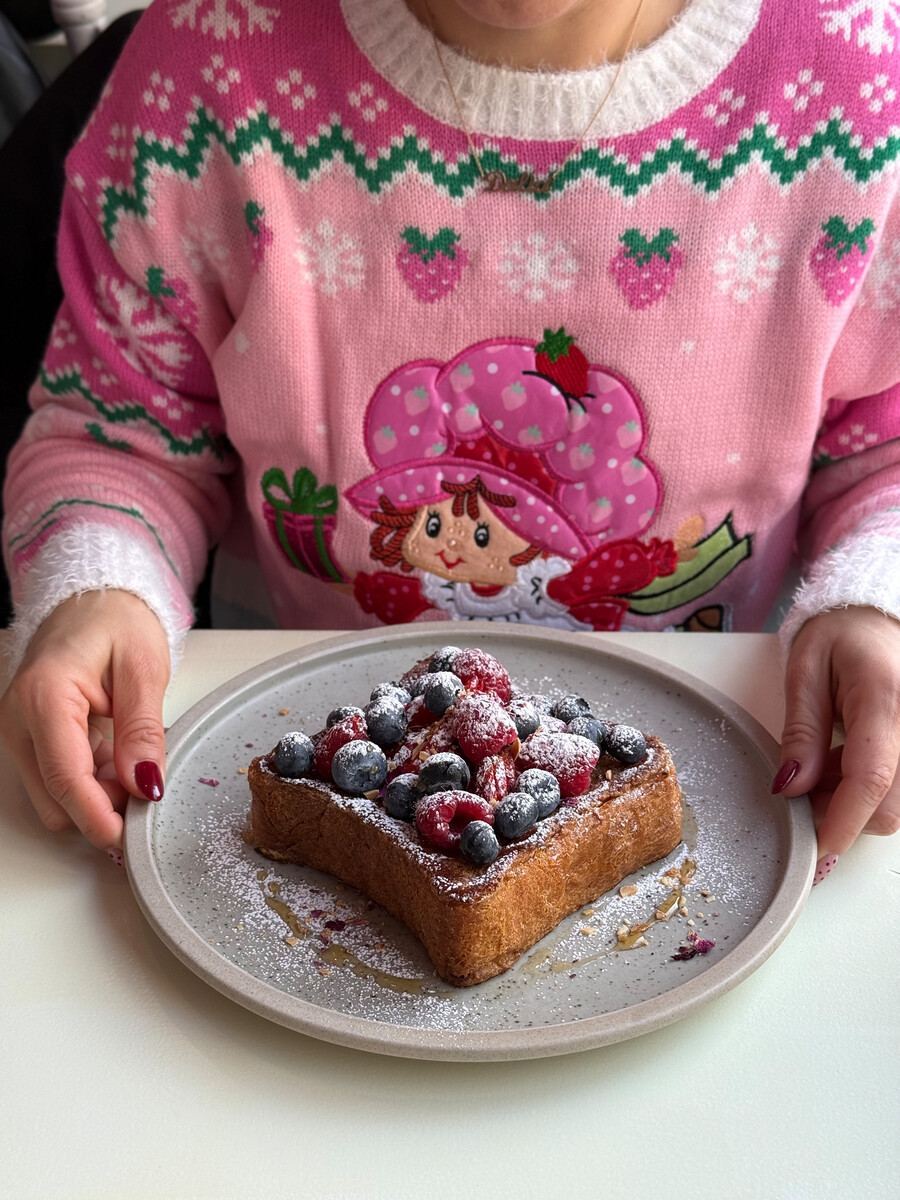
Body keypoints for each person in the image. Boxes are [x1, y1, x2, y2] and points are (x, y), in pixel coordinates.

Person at [1, 0, 898, 883]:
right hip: (293, 735)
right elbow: (123, 437)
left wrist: (876, 601)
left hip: (745, 772)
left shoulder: (864, 82)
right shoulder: (203, 62)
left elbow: (882, 451)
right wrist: (97, 588)